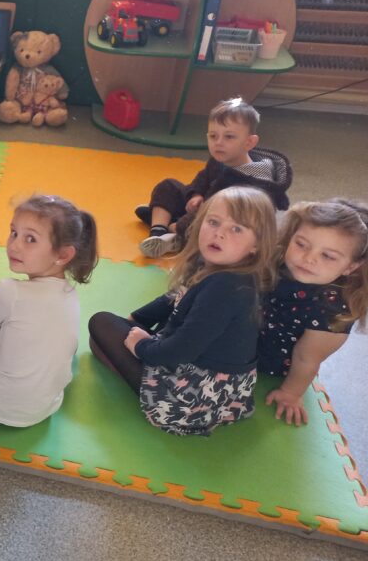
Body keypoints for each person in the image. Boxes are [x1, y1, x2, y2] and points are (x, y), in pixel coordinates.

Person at [89, 186, 278, 437]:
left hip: (193, 397)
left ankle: (146, 386)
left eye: (236, 229)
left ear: (256, 245)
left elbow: (181, 350)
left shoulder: (225, 287)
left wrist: (140, 347)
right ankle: (136, 363)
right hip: (220, 384)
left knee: (100, 323)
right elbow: (174, 297)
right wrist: (136, 319)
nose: (219, 233)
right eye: (213, 222)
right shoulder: (216, 264)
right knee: (104, 337)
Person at [0, 194, 98, 427]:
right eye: (14, 233)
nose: (14, 245)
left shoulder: (9, 290)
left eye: (30, 239)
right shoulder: (70, 295)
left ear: (63, 255)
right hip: (43, 409)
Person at [135, 97, 291, 258]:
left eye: (229, 137)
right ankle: (158, 231)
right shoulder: (223, 157)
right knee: (168, 186)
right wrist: (196, 194)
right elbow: (204, 176)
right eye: (213, 136)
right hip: (205, 205)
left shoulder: (251, 181)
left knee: (203, 219)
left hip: (224, 224)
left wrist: (180, 225)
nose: (218, 143)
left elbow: (222, 214)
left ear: (249, 142)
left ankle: (174, 233)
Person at [260, 199, 368, 425]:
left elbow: (306, 359)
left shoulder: (332, 311)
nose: (309, 258)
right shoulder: (284, 260)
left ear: (350, 267)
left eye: (327, 256)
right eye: (301, 244)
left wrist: (290, 393)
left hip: (269, 360)